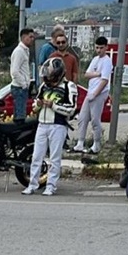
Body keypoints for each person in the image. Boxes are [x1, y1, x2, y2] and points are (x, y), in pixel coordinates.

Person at [22, 57, 77, 197]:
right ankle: (32, 184)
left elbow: (72, 108)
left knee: (54, 158)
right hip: (42, 124)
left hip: (58, 126)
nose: (48, 80)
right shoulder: (44, 87)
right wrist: (38, 106)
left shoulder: (68, 86)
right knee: (36, 156)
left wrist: (54, 106)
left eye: (51, 77)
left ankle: (51, 186)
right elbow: (35, 105)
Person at [71, 37, 113, 154]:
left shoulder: (107, 61)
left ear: (106, 47)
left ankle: (96, 144)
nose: (98, 50)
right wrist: (97, 74)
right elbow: (86, 74)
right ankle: (80, 143)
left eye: (101, 48)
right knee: (82, 118)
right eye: (97, 47)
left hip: (99, 93)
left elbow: (104, 80)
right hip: (90, 92)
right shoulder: (95, 59)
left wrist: (95, 94)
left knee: (95, 119)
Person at [9, 28, 35, 122]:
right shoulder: (19, 51)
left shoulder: (25, 51)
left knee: (20, 113)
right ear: (24, 37)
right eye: (30, 37)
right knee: (20, 116)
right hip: (19, 88)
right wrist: (24, 84)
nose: (32, 39)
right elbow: (14, 71)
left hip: (22, 88)